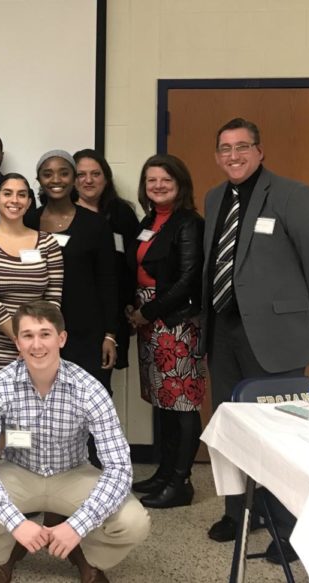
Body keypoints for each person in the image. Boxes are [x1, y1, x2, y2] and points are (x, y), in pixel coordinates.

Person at [201, 118, 309, 543]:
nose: (234, 156)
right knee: (230, 426)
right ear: (217, 156)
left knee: (283, 433)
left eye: (242, 146)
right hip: (224, 330)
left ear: (260, 151)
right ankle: (237, 512)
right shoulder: (214, 198)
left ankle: (287, 522)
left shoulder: (293, 196)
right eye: (225, 148)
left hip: (277, 334)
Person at [0, 301, 150, 583]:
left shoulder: (89, 389)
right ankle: (4, 557)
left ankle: (88, 557)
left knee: (134, 523)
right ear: (17, 342)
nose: (37, 345)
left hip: (73, 472)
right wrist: (16, 523)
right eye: (28, 335)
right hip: (18, 471)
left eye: (45, 334)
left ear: (61, 338)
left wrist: (78, 527)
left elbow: (119, 466)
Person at [125, 155, 205, 509]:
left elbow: (188, 279)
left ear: (180, 183)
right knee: (163, 400)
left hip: (175, 323)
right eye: (151, 180)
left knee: (182, 402)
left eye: (165, 180)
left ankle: (181, 482)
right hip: (149, 319)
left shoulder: (188, 223)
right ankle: (165, 472)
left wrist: (147, 312)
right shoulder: (149, 221)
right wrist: (135, 307)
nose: (157, 186)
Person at [27, 150, 117, 390]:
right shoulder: (28, 221)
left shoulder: (95, 224)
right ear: (39, 180)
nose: (56, 180)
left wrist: (110, 335)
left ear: (74, 178)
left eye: (64, 173)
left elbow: (108, 281)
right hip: (41, 332)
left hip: (87, 332)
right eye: (48, 174)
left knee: (89, 405)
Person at [0, 172, 63, 382]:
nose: (14, 200)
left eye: (21, 195)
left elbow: (53, 299)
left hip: (39, 347)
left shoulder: (48, 243)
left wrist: (37, 341)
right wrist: (21, 339)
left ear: (29, 202)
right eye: (7, 193)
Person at [73, 149, 139, 371]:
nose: (88, 180)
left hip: (113, 310)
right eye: (81, 174)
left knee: (101, 381)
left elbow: (133, 263)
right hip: (72, 314)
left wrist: (131, 302)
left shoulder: (122, 214)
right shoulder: (61, 215)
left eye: (95, 174)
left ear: (106, 178)